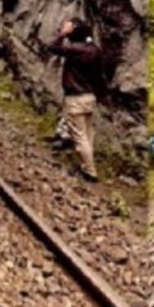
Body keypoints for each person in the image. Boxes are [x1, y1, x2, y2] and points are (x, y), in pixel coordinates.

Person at [49, 17, 105, 183]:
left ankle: (89, 172)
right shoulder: (94, 50)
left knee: (80, 138)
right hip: (90, 97)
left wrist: (63, 34)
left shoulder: (75, 49)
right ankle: (86, 166)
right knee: (88, 136)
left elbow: (52, 47)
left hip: (76, 98)